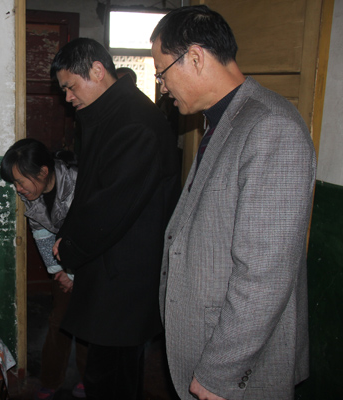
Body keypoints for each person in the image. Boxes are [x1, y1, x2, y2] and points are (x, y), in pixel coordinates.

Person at [150, 6, 316, 400]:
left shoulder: (271, 127)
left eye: (162, 72)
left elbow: (264, 275)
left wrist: (219, 372)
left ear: (195, 57)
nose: (163, 87)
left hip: (237, 366)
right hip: (207, 339)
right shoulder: (224, 120)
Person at [50, 38, 181, 400]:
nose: (68, 98)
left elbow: (111, 206)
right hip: (112, 268)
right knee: (110, 374)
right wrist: (68, 235)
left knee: (112, 380)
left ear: (97, 70)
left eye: (70, 87)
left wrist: (71, 248)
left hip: (125, 277)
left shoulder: (133, 123)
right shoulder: (110, 115)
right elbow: (90, 188)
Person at [0, 138, 88, 399]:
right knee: (59, 321)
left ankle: (90, 379)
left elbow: (90, 235)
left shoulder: (79, 184)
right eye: (14, 183)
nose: (18, 189)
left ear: (43, 172)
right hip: (63, 263)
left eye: (20, 181)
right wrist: (57, 271)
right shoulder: (31, 193)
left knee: (88, 324)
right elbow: (41, 232)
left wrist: (73, 274)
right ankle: (51, 379)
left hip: (92, 262)